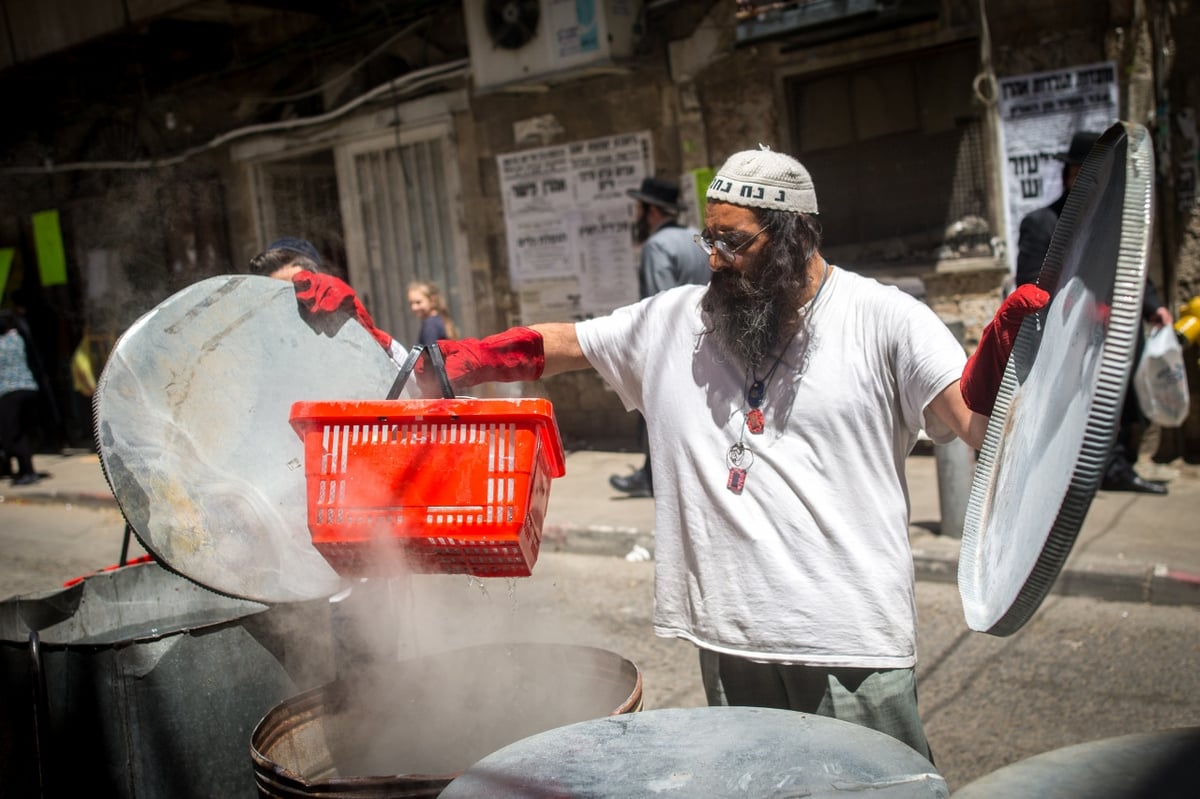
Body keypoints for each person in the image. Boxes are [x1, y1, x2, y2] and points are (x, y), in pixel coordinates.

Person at [411, 146, 1047, 758]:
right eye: (708, 240)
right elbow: (567, 343)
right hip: (731, 639)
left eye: (734, 242)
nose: (715, 260)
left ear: (796, 233)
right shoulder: (675, 321)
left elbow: (974, 422)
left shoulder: (886, 319)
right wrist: (452, 363)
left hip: (849, 645)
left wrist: (1002, 357)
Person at [1015, 131, 1172, 495]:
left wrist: (1154, 307)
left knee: (1116, 405)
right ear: (1069, 175)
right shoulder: (1041, 224)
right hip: (1065, 339)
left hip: (1112, 335)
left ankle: (1114, 468)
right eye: (1081, 174)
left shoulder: (1110, 225)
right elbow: (1032, 288)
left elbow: (1132, 272)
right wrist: (1083, 311)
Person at [609, 176, 712, 498]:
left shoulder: (657, 246)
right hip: (709, 338)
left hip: (673, 345)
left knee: (654, 412)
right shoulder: (696, 238)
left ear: (652, 211)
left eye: (639, 208)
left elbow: (661, 303)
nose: (635, 216)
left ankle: (651, 479)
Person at [253, 236, 408, 368]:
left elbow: (409, 391)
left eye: (297, 288)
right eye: (279, 293)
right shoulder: (265, 353)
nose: (292, 302)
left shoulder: (344, 341)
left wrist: (366, 334)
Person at [0, 309, 46, 485]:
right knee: (23, 433)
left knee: (12, 435)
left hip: (9, 393)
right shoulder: (19, 338)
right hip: (29, 389)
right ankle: (26, 470)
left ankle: (27, 471)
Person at [407, 281, 458, 346]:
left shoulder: (430, 325)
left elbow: (431, 354)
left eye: (418, 302)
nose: (413, 308)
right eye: (411, 303)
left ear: (432, 300)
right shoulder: (438, 319)